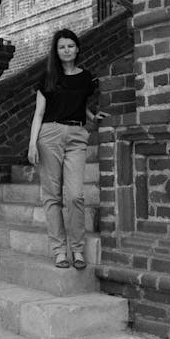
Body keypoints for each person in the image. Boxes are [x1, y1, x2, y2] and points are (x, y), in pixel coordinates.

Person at [28, 29, 107, 269]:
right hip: (49, 135)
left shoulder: (85, 78)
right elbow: (39, 112)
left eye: (71, 46)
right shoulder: (48, 77)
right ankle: (60, 250)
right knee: (52, 196)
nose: (66, 50)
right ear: (56, 50)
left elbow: (78, 104)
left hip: (76, 136)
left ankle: (78, 249)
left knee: (74, 195)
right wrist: (32, 143)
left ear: (77, 48)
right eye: (62, 47)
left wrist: (93, 116)